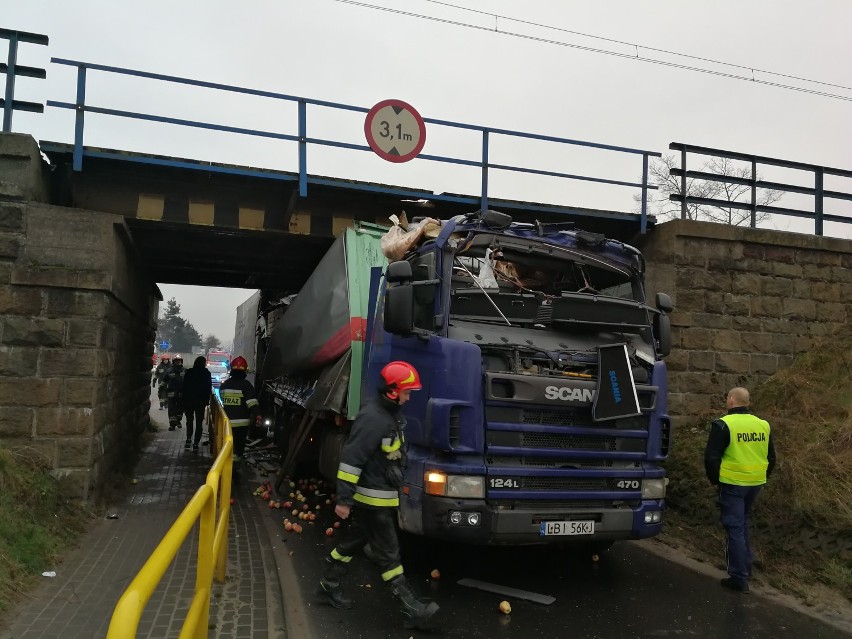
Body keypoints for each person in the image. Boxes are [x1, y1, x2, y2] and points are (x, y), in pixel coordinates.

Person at [317, 361, 440, 630]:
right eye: (407, 392)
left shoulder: (388, 414)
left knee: (352, 543)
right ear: (393, 392)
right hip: (373, 500)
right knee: (389, 553)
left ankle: (329, 583)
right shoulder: (374, 418)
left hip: (380, 495)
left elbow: (387, 451)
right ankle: (412, 609)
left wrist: (394, 466)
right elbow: (351, 459)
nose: (409, 397)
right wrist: (344, 499)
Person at [704, 386, 776, 594]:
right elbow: (771, 458)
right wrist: (762, 477)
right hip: (755, 484)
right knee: (743, 523)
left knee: (734, 528)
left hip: (732, 484)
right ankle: (746, 567)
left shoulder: (723, 424)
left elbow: (712, 457)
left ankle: (738, 577)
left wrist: (716, 481)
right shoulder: (763, 425)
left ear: (731, 400)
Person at [219, 356, 259, 460]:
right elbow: (252, 403)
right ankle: (235, 467)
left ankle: (228, 465)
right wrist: (257, 415)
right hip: (242, 424)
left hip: (227, 423)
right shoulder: (246, 386)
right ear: (244, 370)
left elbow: (223, 400)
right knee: (238, 447)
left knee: (228, 445)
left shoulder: (225, 385)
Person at [182, 356, 212, 451]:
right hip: (200, 401)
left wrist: (184, 399)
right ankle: (196, 443)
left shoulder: (189, 372)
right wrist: (207, 400)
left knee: (189, 420)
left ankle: (188, 439)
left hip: (189, 400)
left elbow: (184, 386)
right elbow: (208, 387)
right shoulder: (206, 373)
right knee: (199, 422)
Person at [164, 355, 186, 431]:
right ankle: (172, 425)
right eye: (176, 360)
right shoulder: (169, 371)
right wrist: (162, 390)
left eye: (179, 360)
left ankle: (178, 421)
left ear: (181, 361)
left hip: (181, 393)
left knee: (180, 409)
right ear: (173, 362)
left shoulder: (184, 370)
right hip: (171, 393)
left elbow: (188, 382)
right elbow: (164, 380)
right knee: (171, 409)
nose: (178, 362)